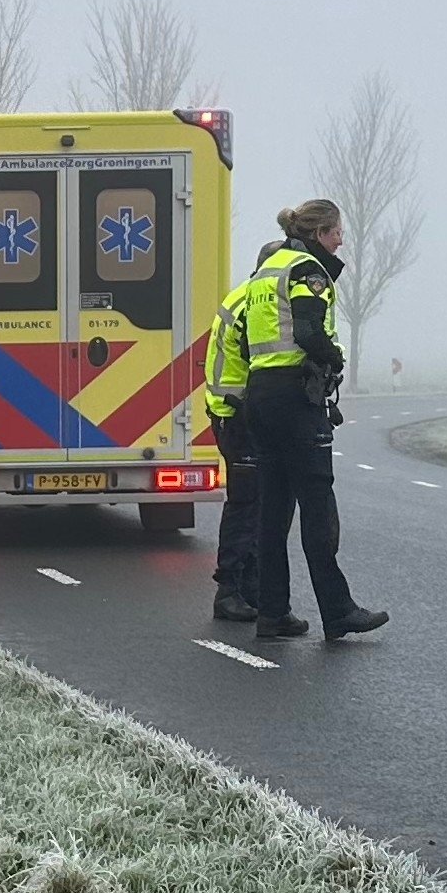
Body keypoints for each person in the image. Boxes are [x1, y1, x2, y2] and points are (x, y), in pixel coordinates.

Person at [240, 199, 390, 641]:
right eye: (338, 231)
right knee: (317, 507)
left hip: (261, 395)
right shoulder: (308, 270)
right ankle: (338, 610)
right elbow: (308, 332)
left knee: (274, 510)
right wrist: (334, 356)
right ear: (321, 232)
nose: (342, 239)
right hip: (294, 398)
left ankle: (272, 613)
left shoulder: (266, 270)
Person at [202, 239, 284, 622]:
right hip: (239, 416)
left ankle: (248, 588)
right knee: (246, 504)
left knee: (253, 504)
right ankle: (229, 589)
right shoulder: (255, 305)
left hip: (230, 412)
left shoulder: (239, 298)